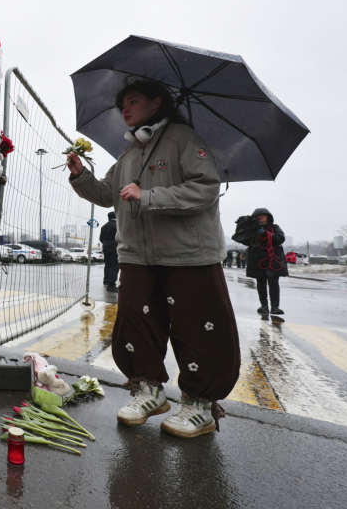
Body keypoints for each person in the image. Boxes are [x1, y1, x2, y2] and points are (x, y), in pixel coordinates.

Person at [67, 78, 239, 438]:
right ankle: (149, 391)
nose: (125, 109)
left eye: (132, 101)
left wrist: (148, 196)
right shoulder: (128, 153)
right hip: (137, 255)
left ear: (156, 103)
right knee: (136, 324)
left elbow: (205, 188)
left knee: (197, 328)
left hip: (188, 254)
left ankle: (199, 405)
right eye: (122, 105)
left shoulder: (184, 139)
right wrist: (81, 177)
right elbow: (107, 193)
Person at [245, 208, 287, 315]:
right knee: (261, 284)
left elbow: (280, 239)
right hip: (257, 259)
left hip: (273, 260)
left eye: (263, 215)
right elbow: (243, 239)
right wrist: (246, 227)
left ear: (268, 216)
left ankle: (275, 307)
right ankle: (264, 306)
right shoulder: (251, 229)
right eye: (258, 215)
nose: (261, 217)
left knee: (274, 283)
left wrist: (265, 233)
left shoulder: (274, 227)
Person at [100, 211, 119, 292]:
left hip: (105, 247)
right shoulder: (117, 225)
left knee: (107, 264)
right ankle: (111, 284)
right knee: (114, 265)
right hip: (114, 247)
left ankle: (106, 280)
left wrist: (106, 244)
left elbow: (101, 238)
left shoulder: (103, 227)